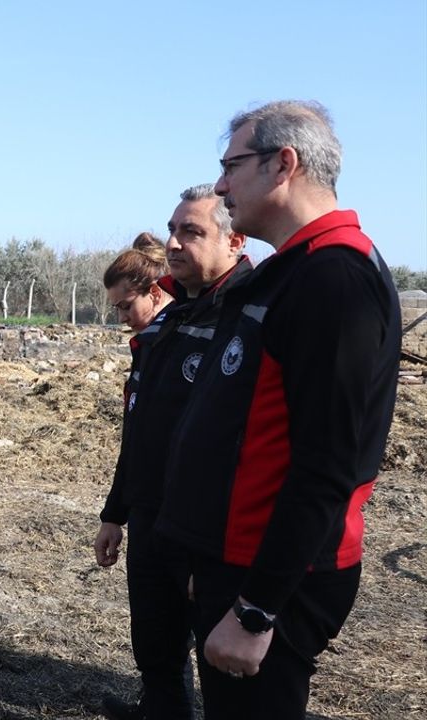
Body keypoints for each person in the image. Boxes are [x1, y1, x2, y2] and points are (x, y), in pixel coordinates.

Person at [157, 101, 400, 718]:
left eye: (231, 166)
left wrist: (257, 608)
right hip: (235, 560)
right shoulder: (293, 272)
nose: (220, 186)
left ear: (283, 164)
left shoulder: (334, 279)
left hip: (269, 577)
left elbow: (328, 465)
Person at [95, 190, 252, 720]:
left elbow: (234, 446)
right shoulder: (167, 330)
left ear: (234, 240)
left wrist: (206, 545)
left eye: (191, 231)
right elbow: (140, 434)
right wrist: (116, 513)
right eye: (173, 230)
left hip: (202, 530)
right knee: (155, 642)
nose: (174, 242)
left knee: (213, 660)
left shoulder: (247, 317)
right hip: (152, 517)